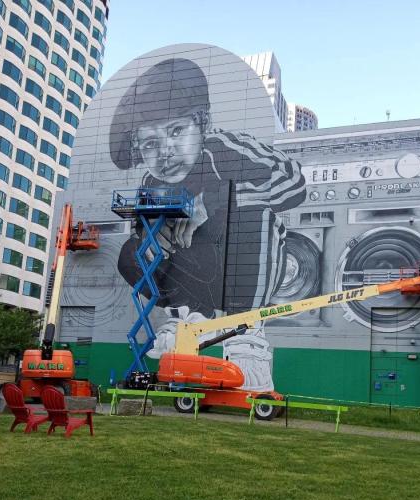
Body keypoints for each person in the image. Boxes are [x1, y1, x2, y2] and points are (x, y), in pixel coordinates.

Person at [109, 58, 306, 389]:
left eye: (176, 131)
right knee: (134, 251)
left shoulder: (229, 148)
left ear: (203, 124)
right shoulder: (151, 183)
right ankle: (187, 318)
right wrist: (155, 238)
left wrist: (214, 201)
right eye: (150, 143)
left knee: (253, 212)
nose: (166, 152)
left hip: (244, 268)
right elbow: (144, 236)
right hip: (198, 272)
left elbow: (294, 183)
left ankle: (246, 336)